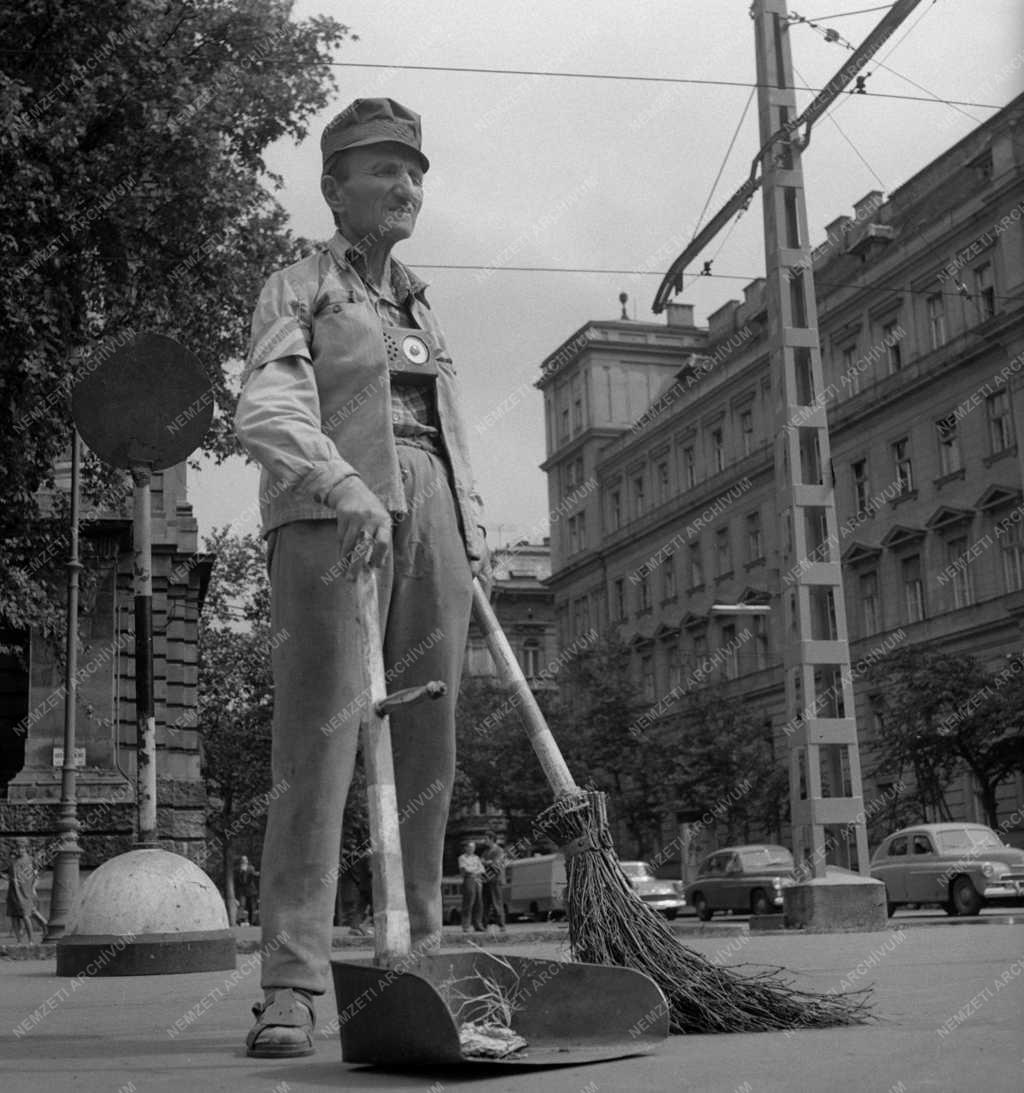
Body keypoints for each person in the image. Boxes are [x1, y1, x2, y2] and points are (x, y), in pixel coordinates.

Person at [235, 96, 489, 1059]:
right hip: (332, 523)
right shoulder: (298, 284)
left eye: (415, 170)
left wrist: (471, 537)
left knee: (429, 751)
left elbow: (442, 427)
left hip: (432, 523)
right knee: (318, 749)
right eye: (383, 168)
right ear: (336, 186)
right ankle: (293, 985)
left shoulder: (420, 300)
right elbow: (265, 402)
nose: (405, 184)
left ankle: (421, 958)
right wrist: (337, 482)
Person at [5, 839, 41, 944]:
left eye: (21, 848)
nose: (19, 850)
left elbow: (37, 877)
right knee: (14, 917)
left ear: (25, 848)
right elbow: (8, 874)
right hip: (13, 892)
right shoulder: (13, 861)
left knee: (26, 916)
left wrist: (33, 888)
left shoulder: (31, 860)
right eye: (17, 848)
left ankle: (31, 940)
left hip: (26, 893)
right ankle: (19, 941)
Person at [479, 829, 508, 932]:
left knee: (497, 903)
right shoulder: (485, 852)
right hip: (486, 880)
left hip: (496, 881)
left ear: (492, 839)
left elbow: (496, 864)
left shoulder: (499, 851)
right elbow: (480, 862)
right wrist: (488, 862)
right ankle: (484, 925)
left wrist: (486, 862)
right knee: (485, 904)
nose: (484, 841)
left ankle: (502, 925)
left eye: (486, 839)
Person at [457, 840, 485, 933]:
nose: (472, 849)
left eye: (473, 848)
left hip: (477, 880)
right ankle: (466, 925)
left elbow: (482, 869)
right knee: (469, 902)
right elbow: (465, 870)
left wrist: (474, 870)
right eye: (470, 847)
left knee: (479, 902)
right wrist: (475, 869)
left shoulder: (476, 858)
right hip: (468, 879)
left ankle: (477, 924)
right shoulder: (462, 858)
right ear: (466, 848)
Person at [234, 855, 259, 927]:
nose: (244, 861)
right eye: (242, 860)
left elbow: (253, 875)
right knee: (241, 905)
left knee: (251, 906)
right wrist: (241, 872)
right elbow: (237, 881)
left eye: (245, 860)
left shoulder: (251, 868)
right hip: (242, 891)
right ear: (241, 861)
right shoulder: (238, 869)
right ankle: (239, 921)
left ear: (247, 861)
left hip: (250, 891)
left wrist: (256, 874)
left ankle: (251, 922)